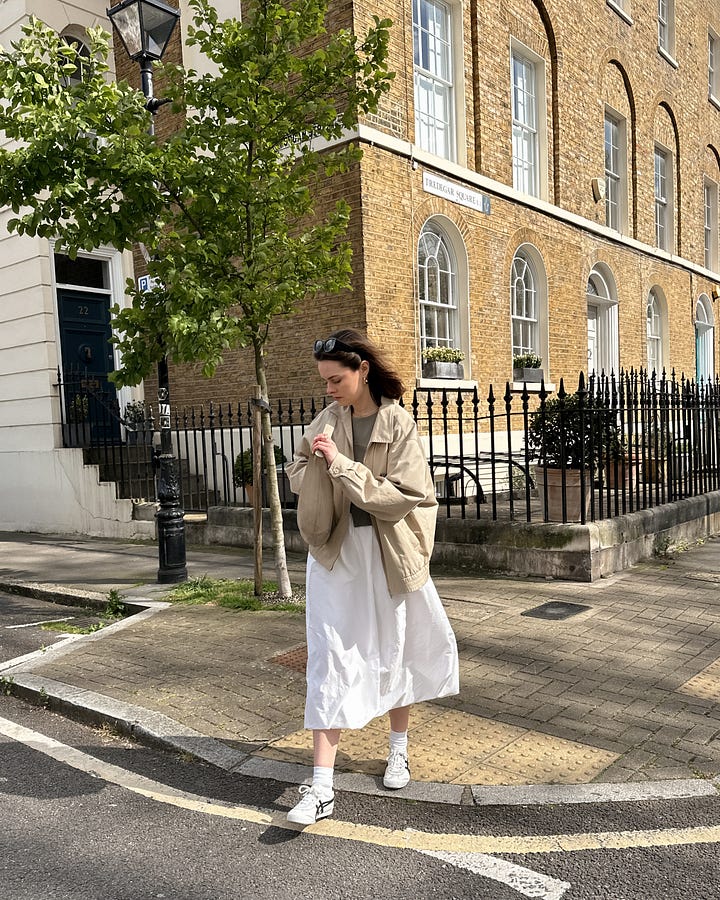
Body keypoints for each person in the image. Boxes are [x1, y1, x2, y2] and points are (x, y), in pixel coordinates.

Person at [285, 328, 459, 826]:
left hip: (390, 553)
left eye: (336, 379)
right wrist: (316, 470)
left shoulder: (398, 423)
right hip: (336, 553)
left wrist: (340, 466)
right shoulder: (327, 418)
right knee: (329, 658)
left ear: (362, 370)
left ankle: (398, 750)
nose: (329, 390)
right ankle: (321, 788)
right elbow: (297, 466)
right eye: (324, 382)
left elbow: (401, 495)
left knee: (397, 649)